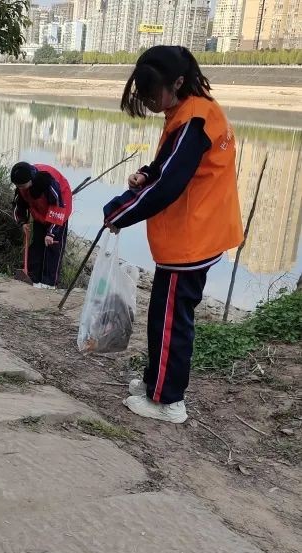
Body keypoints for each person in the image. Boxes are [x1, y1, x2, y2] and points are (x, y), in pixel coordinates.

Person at [103, 46, 243, 424]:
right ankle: (157, 383)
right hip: (197, 233)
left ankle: (168, 402)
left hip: (193, 237)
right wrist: (147, 173)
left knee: (170, 319)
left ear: (177, 82)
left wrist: (118, 211)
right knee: (165, 316)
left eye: (153, 95)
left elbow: (170, 185)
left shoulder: (195, 120)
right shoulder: (191, 109)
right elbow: (169, 165)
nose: (149, 103)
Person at [10, 162, 72, 289]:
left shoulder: (48, 182)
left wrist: (51, 233)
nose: (19, 188)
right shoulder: (22, 186)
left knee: (52, 246)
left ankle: (49, 284)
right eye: (17, 186)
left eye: (22, 185)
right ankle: (34, 279)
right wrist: (22, 222)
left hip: (59, 211)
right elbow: (19, 205)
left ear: (31, 179)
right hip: (39, 213)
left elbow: (58, 206)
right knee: (38, 244)